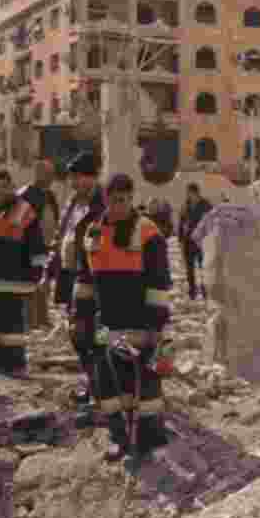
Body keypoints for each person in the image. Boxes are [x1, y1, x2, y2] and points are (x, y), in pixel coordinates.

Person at [74, 173, 172, 461]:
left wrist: (155, 327)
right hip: (106, 325)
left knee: (144, 388)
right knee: (108, 386)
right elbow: (85, 281)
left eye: (127, 200)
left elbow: (158, 285)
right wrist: (80, 318)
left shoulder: (148, 232)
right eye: (116, 200)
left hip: (139, 325)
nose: (122, 206)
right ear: (104, 200)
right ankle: (119, 438)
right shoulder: (92, 233)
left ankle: (147, 444)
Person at [44, 151, 104, 415]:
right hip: (71, 277)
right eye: (72, 178)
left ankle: (101, 391)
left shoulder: (101, 205)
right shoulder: (72, 203)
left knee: (91, 337)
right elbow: (61, 235)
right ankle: (93, 386)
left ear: (90, 178)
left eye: (77, 178)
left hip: (92, 280)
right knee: (77, 335)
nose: (72, 183)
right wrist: (50, 271)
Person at [0, 169, 46, 375]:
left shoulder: (24, 211)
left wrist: (37, 272)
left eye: (5, 185)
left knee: (12, 326)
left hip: (15, 278)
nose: (1, 190)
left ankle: (15, 365)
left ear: (12, 186)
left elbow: (36, 243)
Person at [18, 160, 59, 329]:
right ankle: (30, 320)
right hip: (29, 246)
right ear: (37, 173)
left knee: (43, 282)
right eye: (46, 173)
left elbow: (55, 217)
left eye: (51, 174)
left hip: (45, 245)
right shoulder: (26, 193)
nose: (50, 177)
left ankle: (42, 318)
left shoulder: (49, 195)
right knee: (30, 282)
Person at [178, 183, 211, 300]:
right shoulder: (185, 206)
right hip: (188, 241)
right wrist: (180, 238)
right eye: (187, 193)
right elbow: (181, 222)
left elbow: (211, 221)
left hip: (202, 241)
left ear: (196, 193)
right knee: (189, 268)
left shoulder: (206, 205)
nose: (188, 195)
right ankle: (192, 291)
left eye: (190, 193)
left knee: (203, 267)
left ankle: (205, 290)